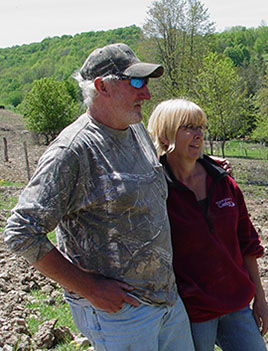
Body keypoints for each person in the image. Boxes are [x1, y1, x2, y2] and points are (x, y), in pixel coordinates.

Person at [3, 44, 195, 351]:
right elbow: (21, 232)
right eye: (135, 83)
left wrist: (207, 168)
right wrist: (89, 288)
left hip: (166, 299)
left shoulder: (134, 131)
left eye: (145, 83)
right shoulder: (73, 151)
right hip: (119, 313)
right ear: (102, 86)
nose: (145, 93)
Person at [147, 98, 268, 351]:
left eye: (201, 127)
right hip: (190, 312)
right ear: (166, 134)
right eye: (188, 127)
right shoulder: (155, 189)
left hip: (235, 304)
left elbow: (247, 243)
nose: (199, 134)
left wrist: (260, 298)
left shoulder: (222, 181)